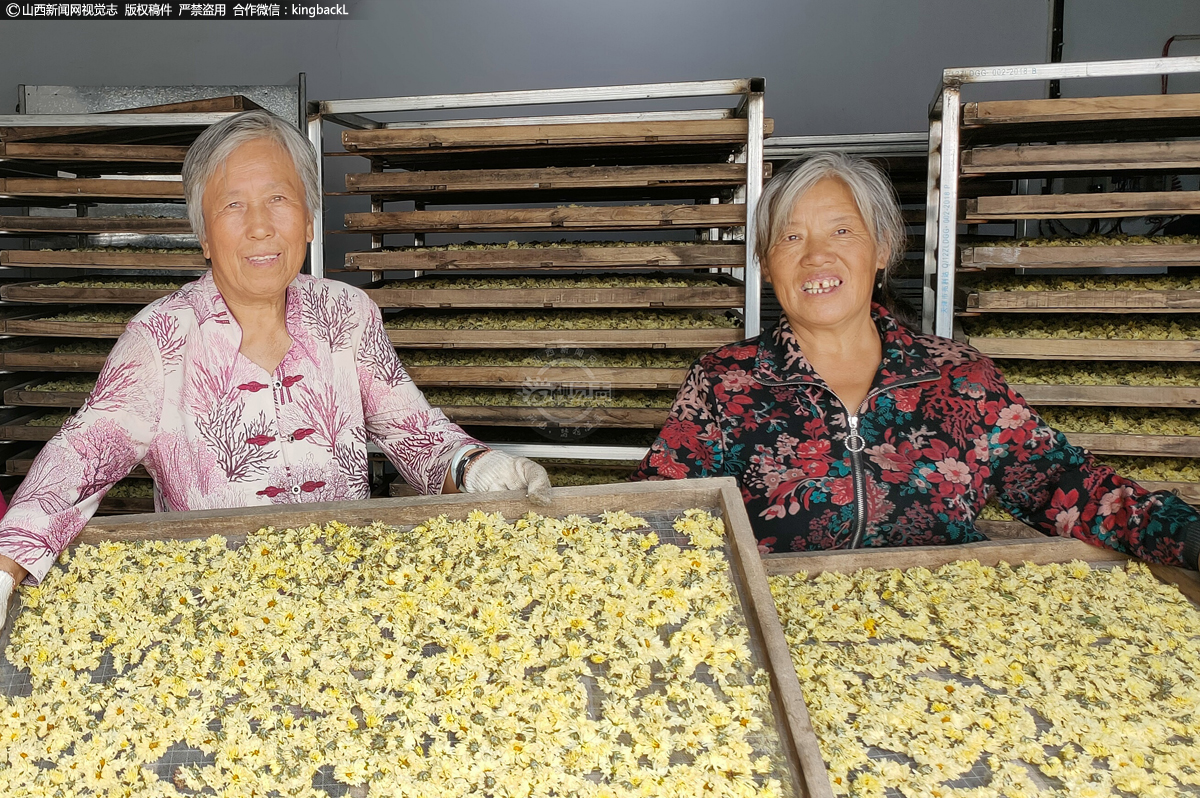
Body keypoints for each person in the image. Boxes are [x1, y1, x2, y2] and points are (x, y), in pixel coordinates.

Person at [0, 110, 550, 629]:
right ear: (204, 235)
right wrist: (6, 565)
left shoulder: (346, 313)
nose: (260, 226)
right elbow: (79, 458)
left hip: (345, 600)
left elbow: (412, 433)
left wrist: (477, 467)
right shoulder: (162, 337)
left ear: (309, 220)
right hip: (211, 612)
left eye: (279, 199)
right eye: (233, 205)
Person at [633, 152, 1200, 568]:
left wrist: (1186, 534)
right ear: (765, 262)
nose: (816, 256)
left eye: (842, 231)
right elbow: (656, 515)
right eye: (790, 238)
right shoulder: (724, 382)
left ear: (881, 250)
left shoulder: (962, 379)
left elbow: (1063, 484)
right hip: (779, 644)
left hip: (940, 657)